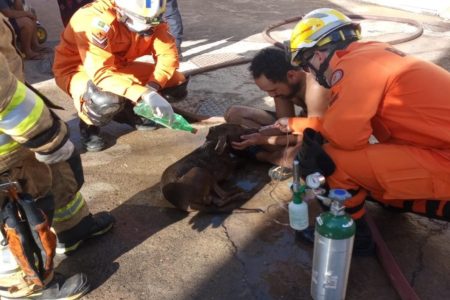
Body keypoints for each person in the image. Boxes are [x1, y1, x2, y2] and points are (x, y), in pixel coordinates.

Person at [277, 8, 450, 254]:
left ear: (317, 54)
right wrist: (295, 124)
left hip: (443, 158)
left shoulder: (353, 67)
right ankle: (395, 199)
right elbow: (344, 124)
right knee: (368, 173)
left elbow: (345, 138)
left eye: (306, 64)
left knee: (328, 160)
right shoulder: (371, 54)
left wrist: (308, 143)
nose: (309, 73)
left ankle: (352, 239)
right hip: (436, 149)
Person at [0, 14, 114, 299]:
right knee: (15, 216)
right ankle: (24, 284)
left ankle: (73, 228)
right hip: (8, 137)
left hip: (12, 130)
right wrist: (44, 133)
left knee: (54, 174)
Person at [53, 0, 188, 152]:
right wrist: (142, 93)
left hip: (118, 66)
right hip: (81, 70)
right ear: (123, 13)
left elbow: (167, 56)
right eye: (147, 23)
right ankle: (89, 125)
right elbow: (101, 74)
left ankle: (130, 110)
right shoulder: (93, 20)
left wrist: (153, 86)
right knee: (103, 99)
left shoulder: (150, 14)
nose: (151, 28)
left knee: (177, 82)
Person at [225, 47, 329, 178]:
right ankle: (277, 157)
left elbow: (314, 135)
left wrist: (264, 140)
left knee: (298, 155)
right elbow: (284, 124)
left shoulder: (316, 88)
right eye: (267, 91)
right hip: (297, 127)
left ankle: (265, 156)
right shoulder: (284, 88)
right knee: (235, 114)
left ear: (291, 75)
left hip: (319, 133)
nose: (271, 94)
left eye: (273, 90)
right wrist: (262, 133)